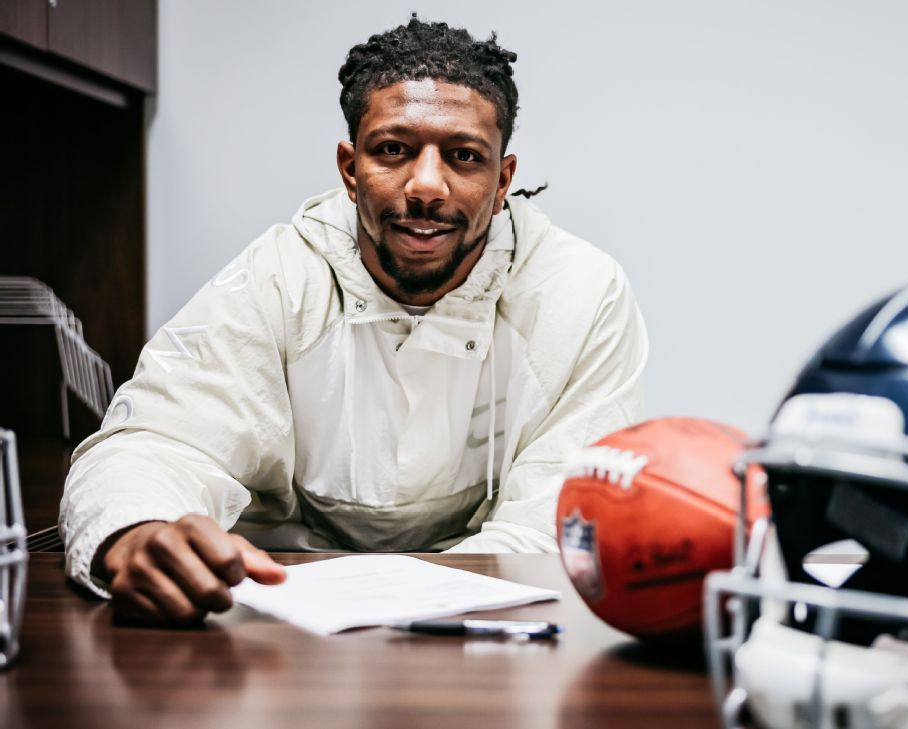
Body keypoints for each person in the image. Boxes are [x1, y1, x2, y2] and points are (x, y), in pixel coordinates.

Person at [58, 17, 648, 626]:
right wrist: (136, 530)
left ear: (502, 180)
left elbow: (559, 519)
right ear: (349, 167)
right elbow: (159, 441)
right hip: (277, 612)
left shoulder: (579, 294)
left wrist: (403, 619)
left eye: (463, 156)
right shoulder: (280, 276)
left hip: (485, 626)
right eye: (393, 150)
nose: (425, 185)